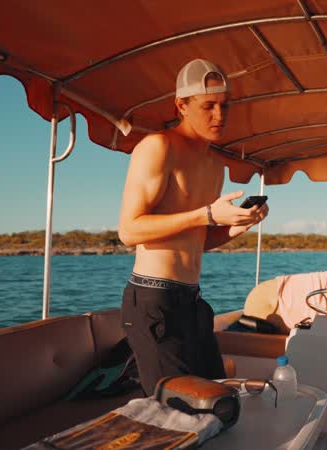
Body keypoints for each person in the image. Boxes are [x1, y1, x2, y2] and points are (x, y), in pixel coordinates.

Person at [117, 59, 268, 395]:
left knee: (217, 398)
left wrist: (237, 225)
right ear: (181, 105)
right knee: (180, 410)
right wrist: (208, 215)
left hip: (193, 302)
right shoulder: (158, 147)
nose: (219, 115)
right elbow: (129, 230)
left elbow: (199, 239)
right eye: (208, 106)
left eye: (225, 106)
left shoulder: (216, 166)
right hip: (154, 300)